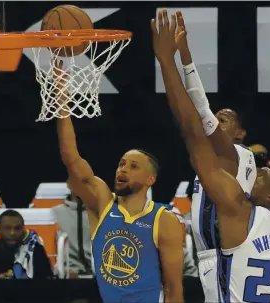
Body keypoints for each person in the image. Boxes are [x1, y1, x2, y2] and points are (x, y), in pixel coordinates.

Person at [152, 9, 270, 302]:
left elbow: (193, 129)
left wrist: (166, 62)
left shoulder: (238, 210)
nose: (260, 173)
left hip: (218, 259)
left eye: (266, 176)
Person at [55, 61, 184, 303]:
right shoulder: (102, 203)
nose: (122, 169)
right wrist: (62, 100)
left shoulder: (164, 219)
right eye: (121, 164)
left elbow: (174, 288)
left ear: (150, 179)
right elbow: (71, 158)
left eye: (133, 166)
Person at [173, 11, 256, 302]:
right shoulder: (220, 159)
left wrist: (183, 57)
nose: (217, 123)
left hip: (226, 253)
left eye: (226, 121)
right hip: (211, 255)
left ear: (240, 133)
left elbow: (201, 107)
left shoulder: (236, 154)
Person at [0, 210, 52, 279]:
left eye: (17, 228)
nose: (12, 233)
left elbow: (45, 284)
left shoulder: (36, 251)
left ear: (23, 230)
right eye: (7, 228)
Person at [51, 181, 93, 278]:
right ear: (69, 184)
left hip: (98, 276)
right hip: (66, 276)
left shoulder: (102, 213)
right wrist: (65, 271)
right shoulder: (54, 213)